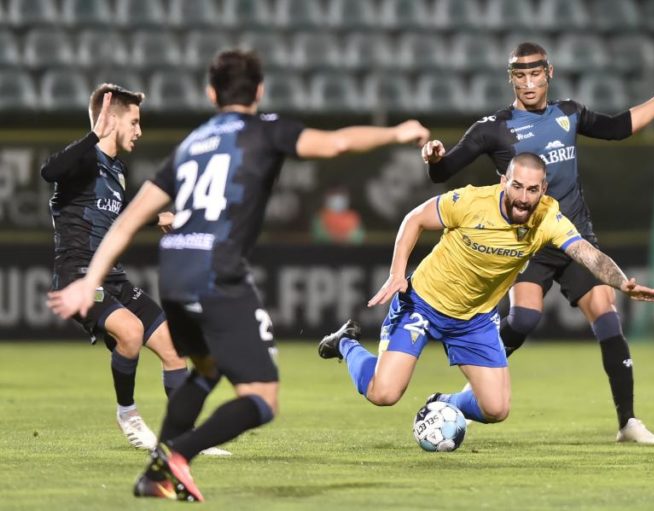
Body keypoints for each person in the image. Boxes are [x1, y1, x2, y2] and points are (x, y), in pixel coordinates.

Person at [47, 49, 430, 502]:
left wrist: (88, 278)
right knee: (262, 399)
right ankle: (176, 458)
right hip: (217, 272)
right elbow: (338, 144)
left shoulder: (193, 142)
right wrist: (398, 131)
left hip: (175, 270)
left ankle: (158, 470)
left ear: (211, 93)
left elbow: (128, 220)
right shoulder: (264, 129)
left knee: (203, 368)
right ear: (260, 91)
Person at [420, 42, 654, 444]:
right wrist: (434, 157)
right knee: (524, 320)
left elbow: (618, 127)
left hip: (572, 238)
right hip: (526, 244)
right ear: (511, 79)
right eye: (520, 76)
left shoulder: (569, 114)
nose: (528, 83)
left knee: (607, 317)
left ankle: (628, 422)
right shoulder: (493, 128)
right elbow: (443, 171)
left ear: (548, 73)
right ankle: (473, 392)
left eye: (535, 74)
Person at [318, 153, 654, 433]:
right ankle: (345, 344)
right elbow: (414, 219)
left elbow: (588, 254)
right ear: (503, 182)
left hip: (474, 319)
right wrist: (397, 273)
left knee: (496, 409)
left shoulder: (547, 218)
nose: (523, 198)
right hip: (423, 303)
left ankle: (444, 404)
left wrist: (621, 282)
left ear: (544, 189)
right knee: (384, 393)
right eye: (516, 186)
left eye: (532, 189)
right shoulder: (470, 201)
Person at [40, 84, 193, 452]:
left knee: (174, 348)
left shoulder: (117, 170)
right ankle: (128, 414)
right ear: (112, 119)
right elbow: (49, 171)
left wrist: (155, 217)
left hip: (114, 278)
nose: (139, 131)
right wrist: (95, 132)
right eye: (135, 122)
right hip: (79, 277)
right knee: (130, 330)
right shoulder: (84, 160)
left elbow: (116, 219)